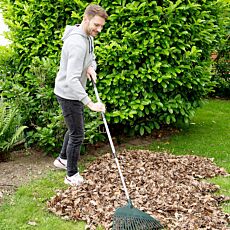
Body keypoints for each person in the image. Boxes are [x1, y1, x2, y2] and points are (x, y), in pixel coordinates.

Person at [53, 4, 108, 186]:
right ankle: (71, 174)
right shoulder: (77, 43)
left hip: (73, 91)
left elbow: (90, 56)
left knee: (74, 129)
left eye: (101, 26)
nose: (99, 29)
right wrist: (89, 103)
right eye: (96, 25)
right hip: (68, 93)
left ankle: (62, 159)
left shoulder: (88, 36)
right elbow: (72, 79)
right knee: (77, 134)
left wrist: (91, 66)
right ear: (86, 19)